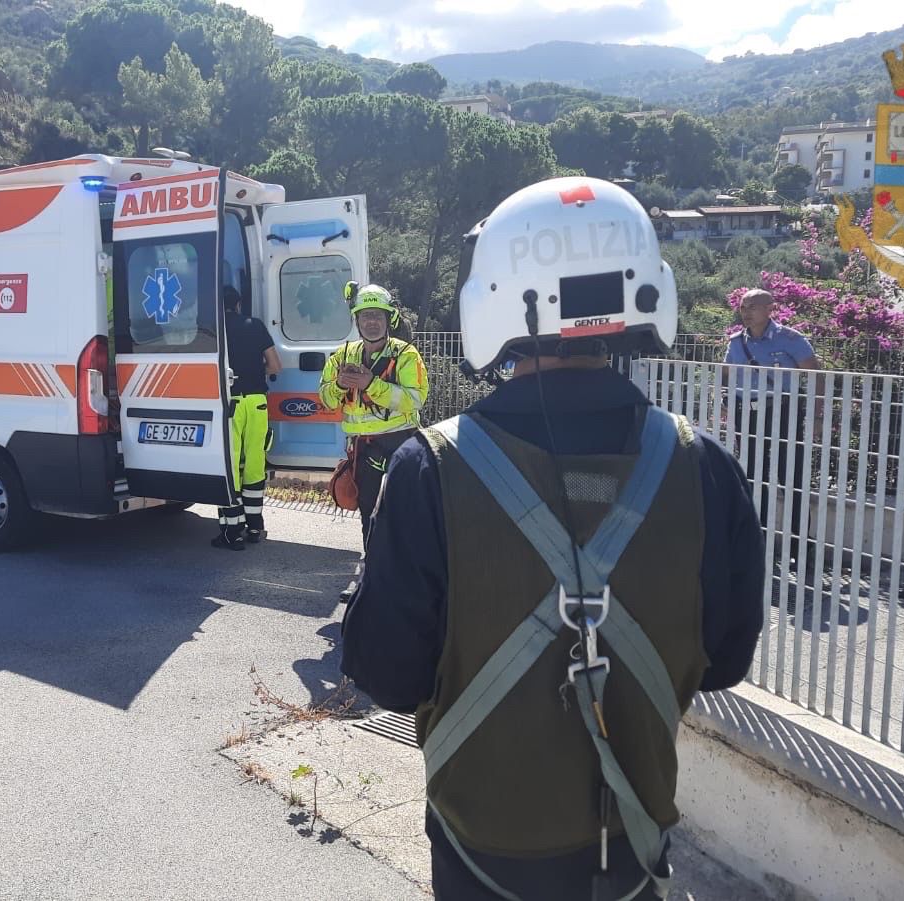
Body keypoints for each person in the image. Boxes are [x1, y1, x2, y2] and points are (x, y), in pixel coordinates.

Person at [342, 177, 765, 900]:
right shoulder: (704, 466)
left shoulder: (430, 469)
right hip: (633, 845)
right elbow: (724, 661)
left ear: (495, 297)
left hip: (484, 854)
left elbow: (386, 673)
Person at [318, 283, 429, 600]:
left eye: (377, 316)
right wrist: (339, 385)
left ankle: (407, 582)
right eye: (365, 315)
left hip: (401, 447)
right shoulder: (343, 356)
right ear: (356, 319)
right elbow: (325, 399)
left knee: (403, 514)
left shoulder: (405, 355)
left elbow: (415, 399)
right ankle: (372, 582)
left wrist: (371, 384)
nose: (371, 322)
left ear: (388, 318)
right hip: (364, 449)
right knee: (368, 514)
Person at [723, 289, 824, 540]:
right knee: (753, 477)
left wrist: (817, 415)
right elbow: (726, 375)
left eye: (752, 306)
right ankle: (760, 541)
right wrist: (726, 401)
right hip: (748, 414)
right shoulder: (737, 342)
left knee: (791, 477)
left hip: (783, 412)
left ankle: (800, 545)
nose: (746, 312)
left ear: (770, 309)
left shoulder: (789, 339)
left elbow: (816, 375)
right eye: (743, 307)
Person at [212, 287, 281, 550]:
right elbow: (275, 366)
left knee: (228, 467)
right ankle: (254, 527)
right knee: (254, 465)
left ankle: (232, 532)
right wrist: (254, 368)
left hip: (230, 404)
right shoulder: (255, 326)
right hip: (257, 403)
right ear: (238, 304)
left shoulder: (214, 330)